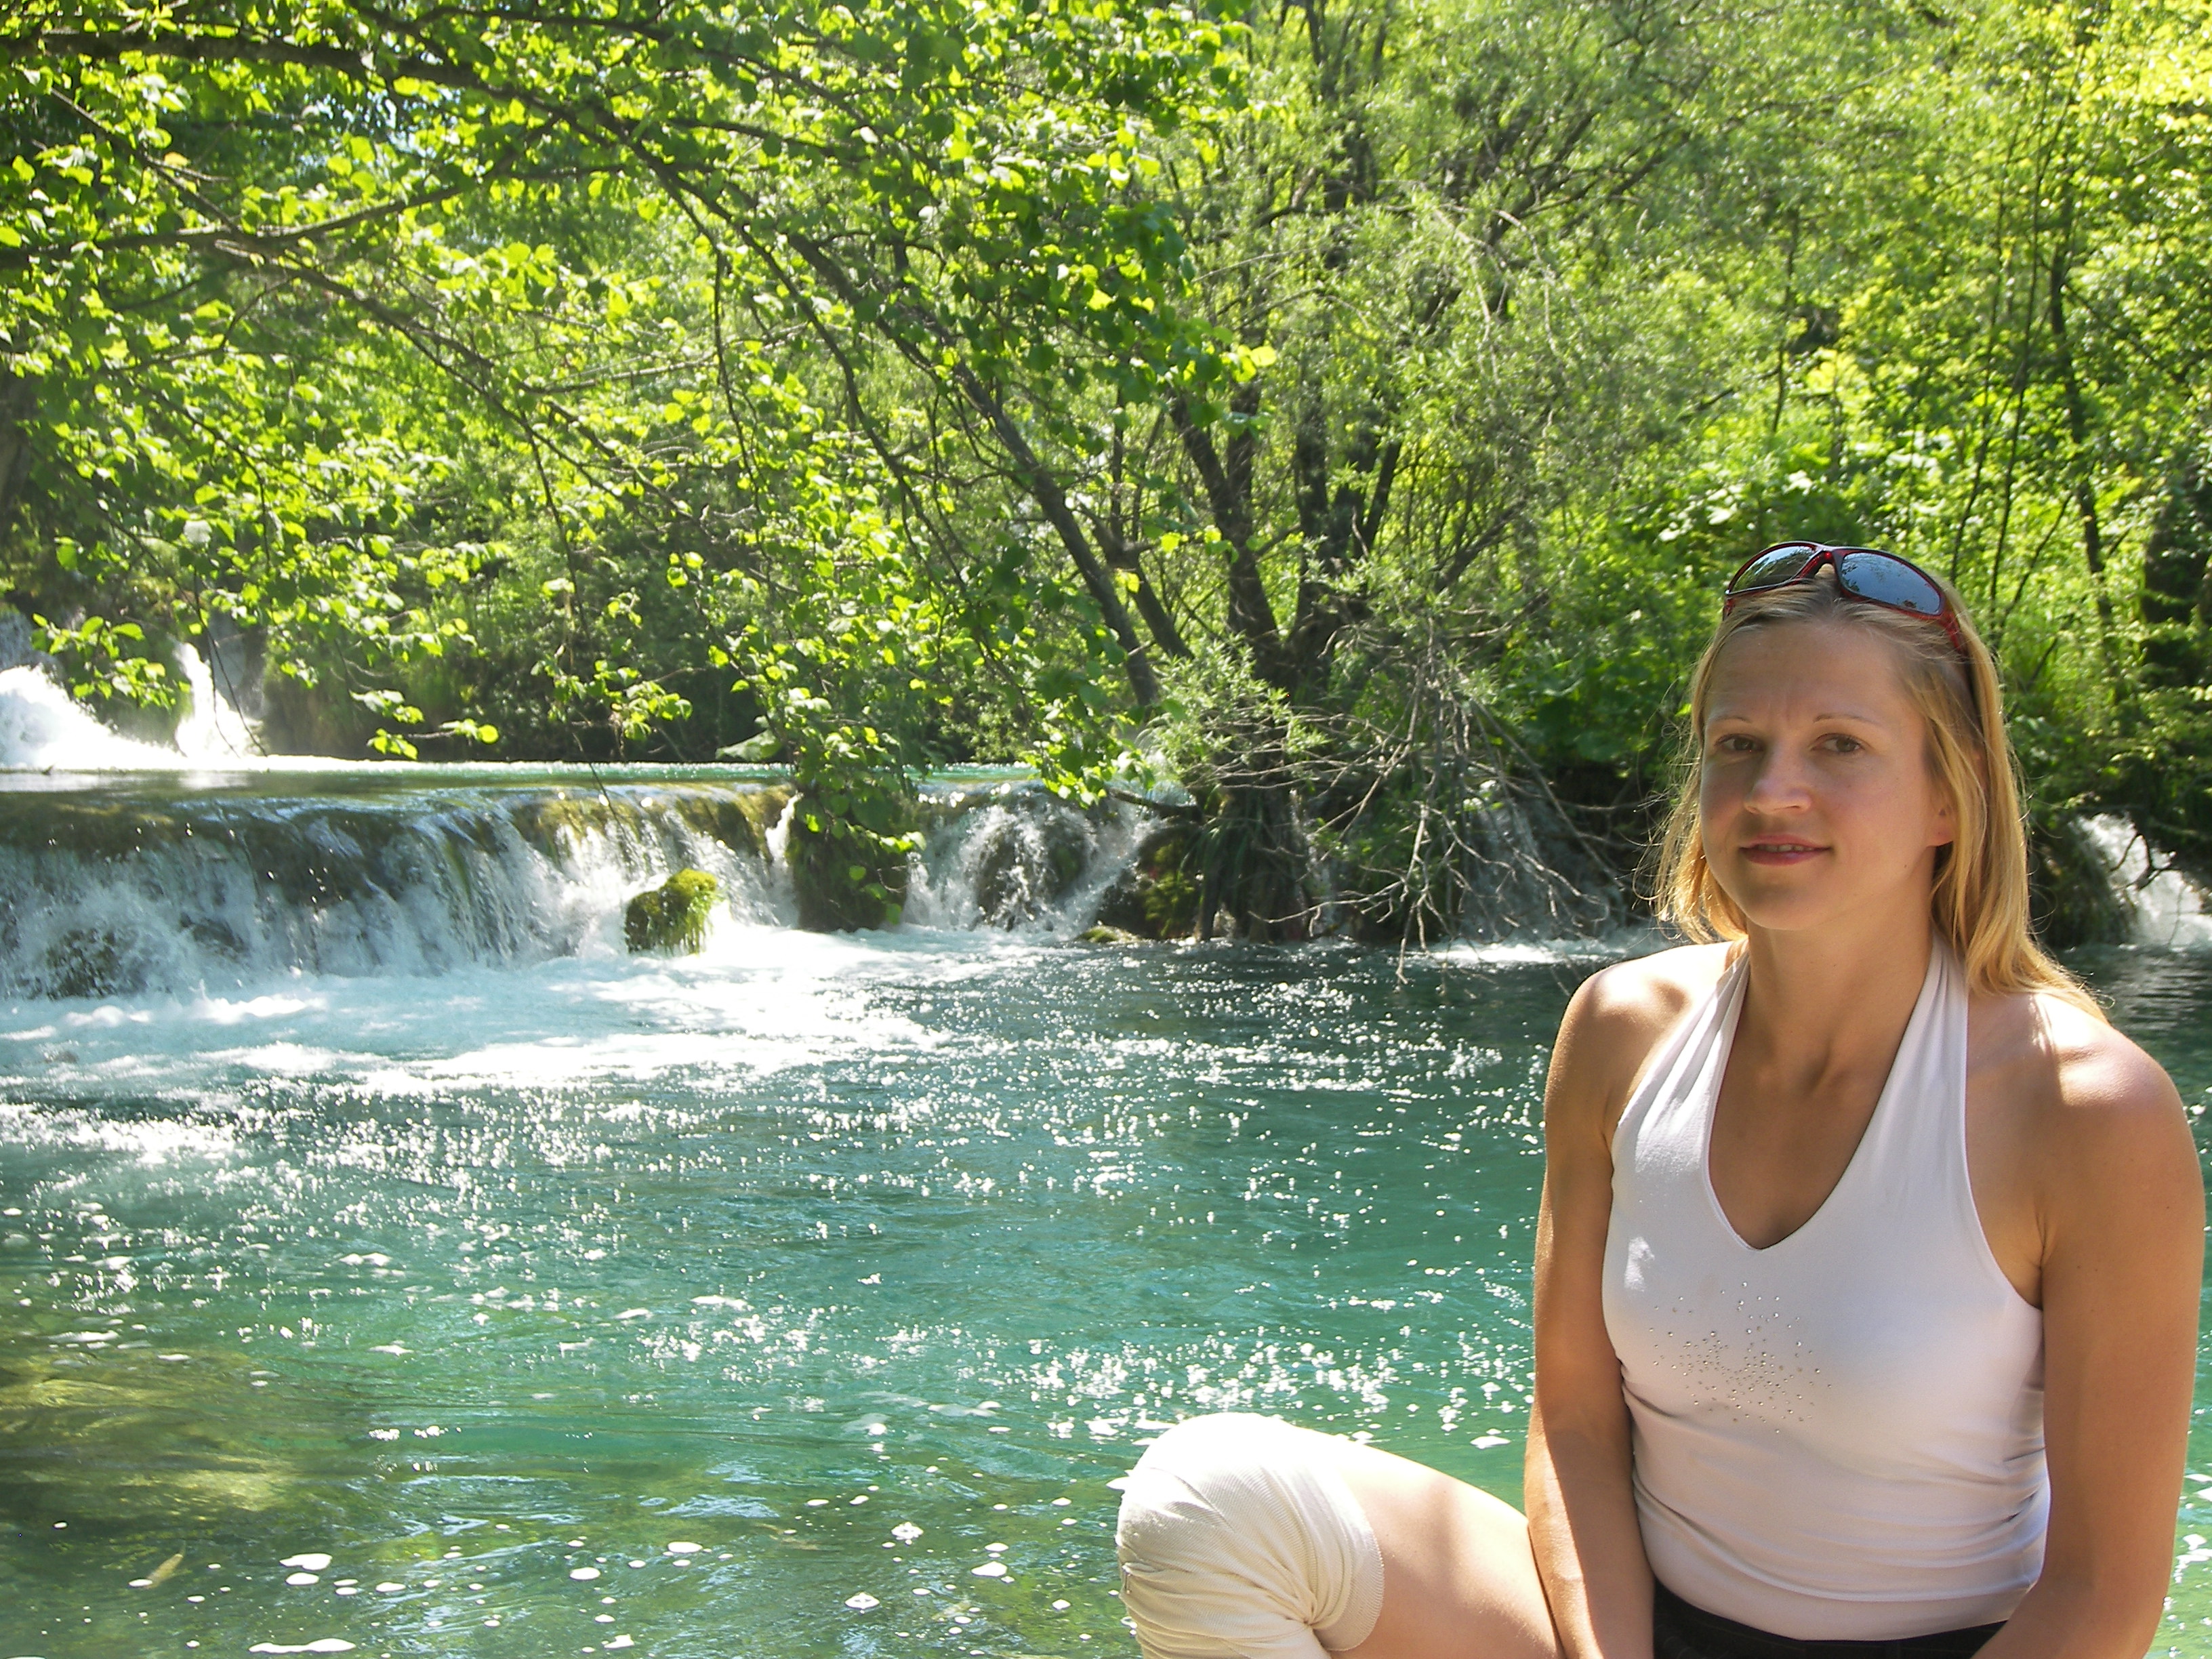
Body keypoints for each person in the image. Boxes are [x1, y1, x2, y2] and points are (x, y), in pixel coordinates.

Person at [1115, 542, 2204, 1659]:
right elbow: (1577, 1423)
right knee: (1204, 1501)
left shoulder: (2087, 1112)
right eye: (1739, 745)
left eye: (1840, 744)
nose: (1773, 791)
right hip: (1630, 1624)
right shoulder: (1621, 1031)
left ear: (1948, 792)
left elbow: (2103, 1594)